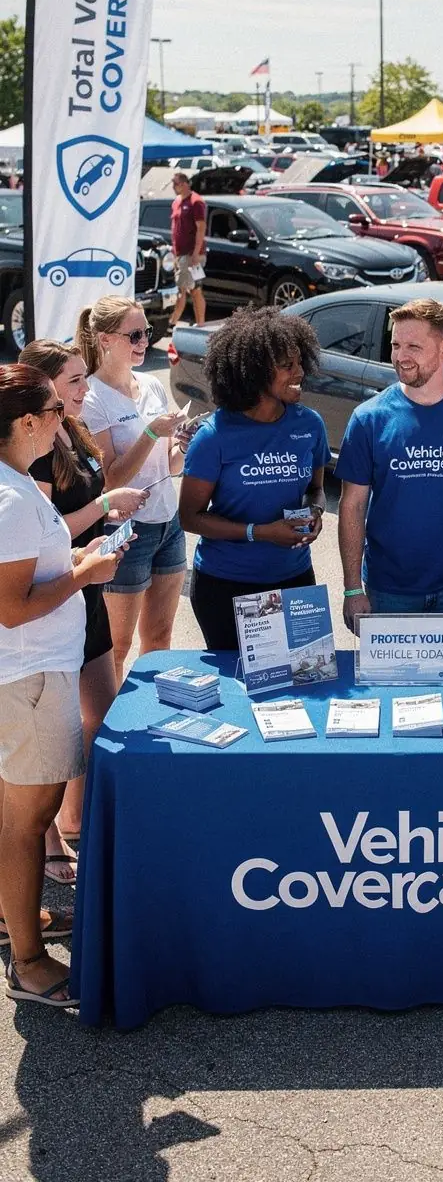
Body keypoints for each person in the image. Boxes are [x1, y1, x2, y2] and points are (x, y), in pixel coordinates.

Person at [0, 363, 125, 1007]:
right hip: (31, 679)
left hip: (33, 676)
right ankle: (27, 962)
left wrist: (73, 561)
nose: (64, 419)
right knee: (28, 822)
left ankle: (20, 922)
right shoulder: (15, 498)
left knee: (19, 818)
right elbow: (12, 607)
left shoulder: (17, 488)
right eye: (54, 410)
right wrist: (85, 574)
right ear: (26, 422)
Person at [19, 340, 148, 864]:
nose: (85, 388)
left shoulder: (72, 429)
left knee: (101, 715)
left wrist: (105, 524)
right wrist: (103, 506)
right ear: (44, 388)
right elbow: (45, 535)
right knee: (53, 735)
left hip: (85, 586)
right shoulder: (36, 452)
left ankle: (75, 820)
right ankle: (47, 837)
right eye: (73, 381)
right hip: (58, 598)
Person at [336, 297, 443, 648]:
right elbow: (351, 506)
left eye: (414, 346)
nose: (402, 356)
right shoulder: (369, 418)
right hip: (388, 592)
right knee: (389, 694)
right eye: (396, 345)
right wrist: (353, 587)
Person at [179, 307, 329, 651]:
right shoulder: (215, 436)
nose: (300, 372)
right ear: (254, 372)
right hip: (226, 585)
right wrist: (259, 533)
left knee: (304, 678)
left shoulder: (309, 425)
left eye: (300, 362)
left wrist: (315, 514)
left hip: (294, 578)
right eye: (287, 366)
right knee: (238, 692)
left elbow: (317, 490)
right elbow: (189, 517)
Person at [76, 297, 187, 686]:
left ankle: (151, 727)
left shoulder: (152, 385)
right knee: (117, 648)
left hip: (168, 524)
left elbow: (169, 465)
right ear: (105, 340)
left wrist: (183, 445)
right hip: (127, 533)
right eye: (135, 335)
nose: (144, 342)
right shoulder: (91, 398)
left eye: (147, 333)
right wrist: (153, 431)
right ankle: (110, 734)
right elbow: (110, 479)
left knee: (159, 637)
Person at [168, 172, 206, 327]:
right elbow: (175, 227)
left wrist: (196, 252)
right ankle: (199, 324)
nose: (173, 187)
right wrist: (173, 249)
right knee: (192, 289)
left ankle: (172, 323)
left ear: (184, 184)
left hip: (191, 254)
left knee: (185, 288)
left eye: (175, 184)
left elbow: (201, 228)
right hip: (179, 253)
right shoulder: (176, 202)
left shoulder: (196, 202)